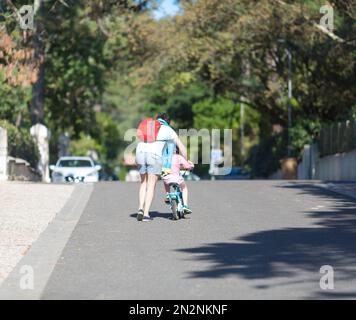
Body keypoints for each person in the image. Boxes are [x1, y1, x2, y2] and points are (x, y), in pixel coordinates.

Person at [136, 113, 187, 222]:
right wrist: (185, 161)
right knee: (151, 185)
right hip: (153, 155)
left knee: (143, 182)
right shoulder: (168, 130)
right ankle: (145, 214)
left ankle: (140, 208)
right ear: (168, 122)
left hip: (139, 152)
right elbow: (181, 147)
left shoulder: (150, 126)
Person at [162, 148, 194, 214]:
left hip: (167, 178)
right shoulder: (178, 157)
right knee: (184, 188)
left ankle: (168, 194)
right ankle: (185, 206)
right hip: (177, 178)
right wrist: (191, 165)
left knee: (165, 180)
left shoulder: (164, 157)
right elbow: (187, 166)